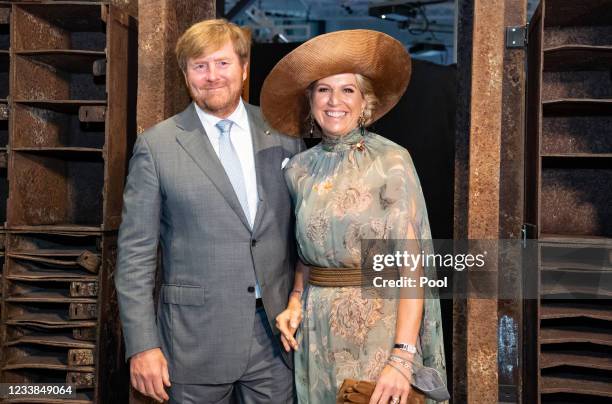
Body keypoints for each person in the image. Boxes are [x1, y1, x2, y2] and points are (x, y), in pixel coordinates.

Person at [115, 19, 303, 404]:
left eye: (222, 63)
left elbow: (300, 233)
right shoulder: (157, 146)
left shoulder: (283, 134)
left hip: (275, 343)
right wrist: (141, 345)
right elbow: (135, 256)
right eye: (200, 66)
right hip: (192, 345)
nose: (212, 76)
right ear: (186, 75)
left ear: (244, 69)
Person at [261, 30, 447, 404]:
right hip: (316, 335)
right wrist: (296, 300)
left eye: (347, 90)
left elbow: (412, 269)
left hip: (378, 329)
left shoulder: (391, 161)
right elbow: (307, 254)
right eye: (323, 89)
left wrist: (401, 357)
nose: (334, 101)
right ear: (310, 100)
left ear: (365, 101)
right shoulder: (298, 169)